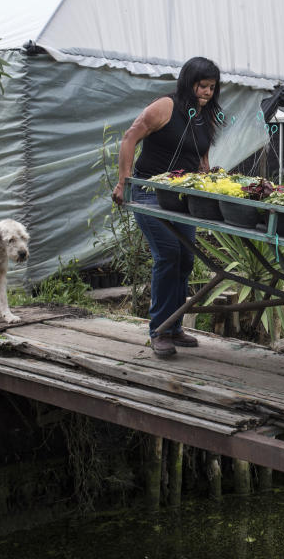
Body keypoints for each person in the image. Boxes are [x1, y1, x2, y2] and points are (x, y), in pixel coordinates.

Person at [112, 57, 225, 358]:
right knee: (168, 256)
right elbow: (129, 138)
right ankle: (159, 330)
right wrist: (124, 182)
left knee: (186, 258)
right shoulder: (166, 106)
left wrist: (209, 179)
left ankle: (174, 326)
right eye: (203, 86)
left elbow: (200, 158)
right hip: (149, 192)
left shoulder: (205, 116)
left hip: (183, 198)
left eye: (212, 87)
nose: (207, 92)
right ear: (189, 83)